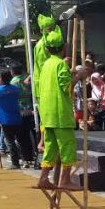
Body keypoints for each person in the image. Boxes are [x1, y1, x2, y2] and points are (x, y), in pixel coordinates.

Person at [34, 20, 80, 191]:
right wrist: (80, 76)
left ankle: (43, 178)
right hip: (60, 114)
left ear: (47, 49)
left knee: (51, 149)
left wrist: (71, 73)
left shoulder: (46, 64)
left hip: (47, 115)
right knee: (67, 146)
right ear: (63, 49)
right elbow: (67, 86)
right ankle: (65, 180)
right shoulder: (60, 64)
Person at [0, 70, 35, 169]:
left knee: (9, 141)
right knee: (20, 139)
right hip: (16, 117)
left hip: (5, 118)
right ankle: (26, 160)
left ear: (0, 78)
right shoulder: (15, 89)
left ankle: (15, 163)